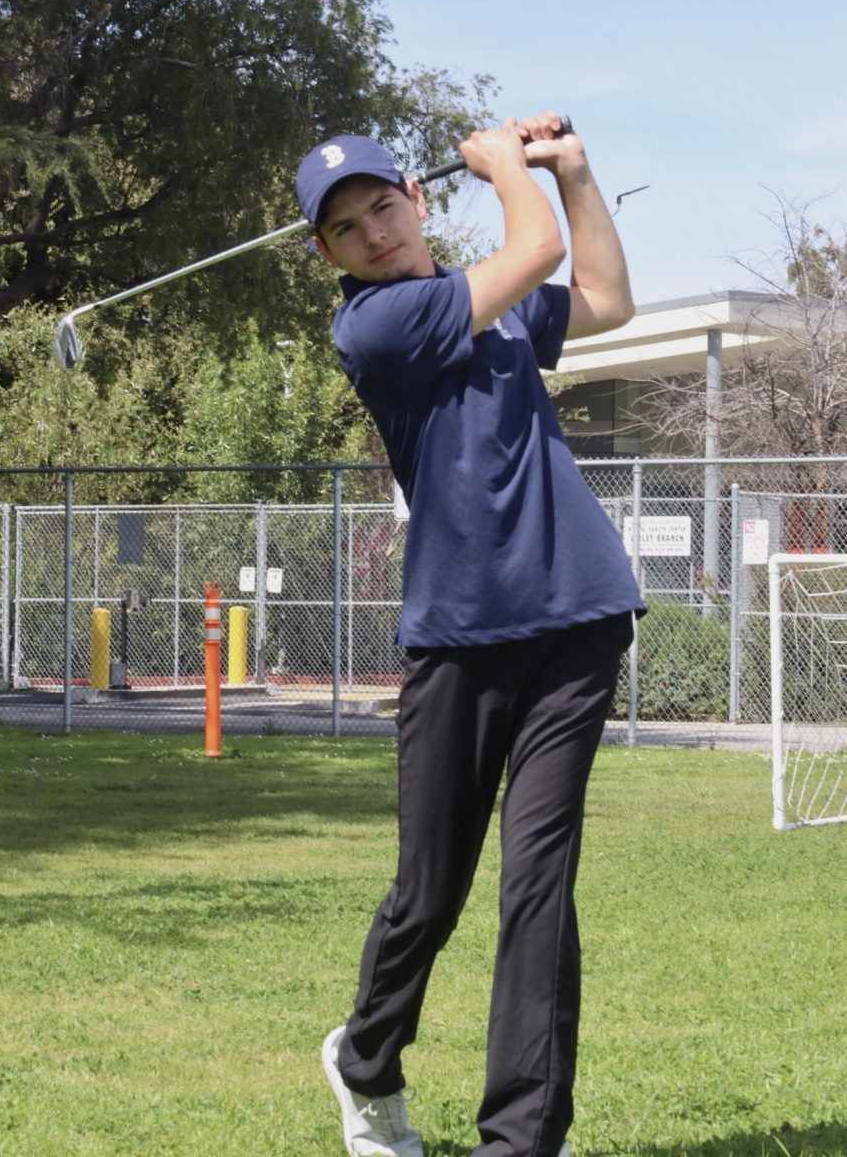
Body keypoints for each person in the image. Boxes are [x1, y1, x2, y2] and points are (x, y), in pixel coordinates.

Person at [295, 113, 646, 1157]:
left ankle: (521, 1141)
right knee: (429, 891)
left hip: (577, 614)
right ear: (329, 255)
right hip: (459, 638)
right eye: (347, 229)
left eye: (382, 205)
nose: (376, 234)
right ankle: (365, 1061)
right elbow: (529, 250)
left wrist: (574, 174)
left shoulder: (485, 302)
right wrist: (505, 174)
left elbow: (604, 299)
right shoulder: (376, 327)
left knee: (538, 883)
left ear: (411, 192)